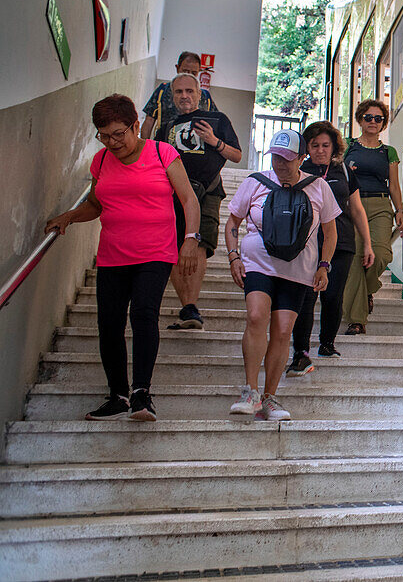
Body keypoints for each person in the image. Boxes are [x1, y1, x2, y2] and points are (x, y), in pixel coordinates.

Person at [45, 94, 200, 422]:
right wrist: (69, 217)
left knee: (143, 313)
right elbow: (96, 205)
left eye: (119, 133)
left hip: (156, 252)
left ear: (135, 126)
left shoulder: (162, 153)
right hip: (113, 255)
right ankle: (117, 394)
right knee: (108, 325)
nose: (112, 142)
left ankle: (141, 393)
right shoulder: (101, 162)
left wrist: (189, 240)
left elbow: (189, 200)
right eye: (104, 135)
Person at [224, 129, 339, 420]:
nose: (280, 164)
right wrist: (234, 256)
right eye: (276, 157)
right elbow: (232, 223)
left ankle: (269, 398)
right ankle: (250, 391)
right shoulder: (255, 182)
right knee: (255, 316)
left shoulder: (319, 187)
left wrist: (324, 265)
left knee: (283, 330)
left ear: (302, 158)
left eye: (288, 158)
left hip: (298, 270)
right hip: (258, 263)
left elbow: (330, 231)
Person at [155, 73, 242, 330]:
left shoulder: (218, 119)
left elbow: (237, 155)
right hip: (172, 194)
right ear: (172, 96)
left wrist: (214, 141)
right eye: (179, 92)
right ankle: (188, 308)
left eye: (189, 91)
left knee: (200, 243)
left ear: (199, 94)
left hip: (208, 192)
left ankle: (191, 305)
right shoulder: (167, 126)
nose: (184, 96)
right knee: (171, 246)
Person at [286, 122, 375, 375]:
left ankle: (327, 344)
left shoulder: (344, 171)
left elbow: (357, 209)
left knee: (333, 296)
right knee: (306, 297)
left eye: (326, 145)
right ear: (307, 147)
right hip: (308, 243)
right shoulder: (299, 171)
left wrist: (367, 243)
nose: (321, 150)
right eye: (315, 145)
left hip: (343, 242)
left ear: (334, 146)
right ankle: (300, 351)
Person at [342, 99, 403, 335]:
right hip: (351, 205)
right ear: (360, 119)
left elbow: (394, 185)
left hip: (380, 204)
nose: (373, 122)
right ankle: (357, 320)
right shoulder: (347, 146)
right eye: (368, 117)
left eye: (378, 118)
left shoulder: (388, 152)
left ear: (383, 123)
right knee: (356, 259)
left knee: (381, 253)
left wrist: (399, 209)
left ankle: (368, 289)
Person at [140, 51, 218, 138]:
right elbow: (149, 121)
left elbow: (215, 123)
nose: (188, 76)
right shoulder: (162, 90)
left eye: (193, 73)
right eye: (185, 71)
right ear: (177, 68)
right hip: (165, 146)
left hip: (195, 148)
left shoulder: (205, 96)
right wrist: (144, 148)